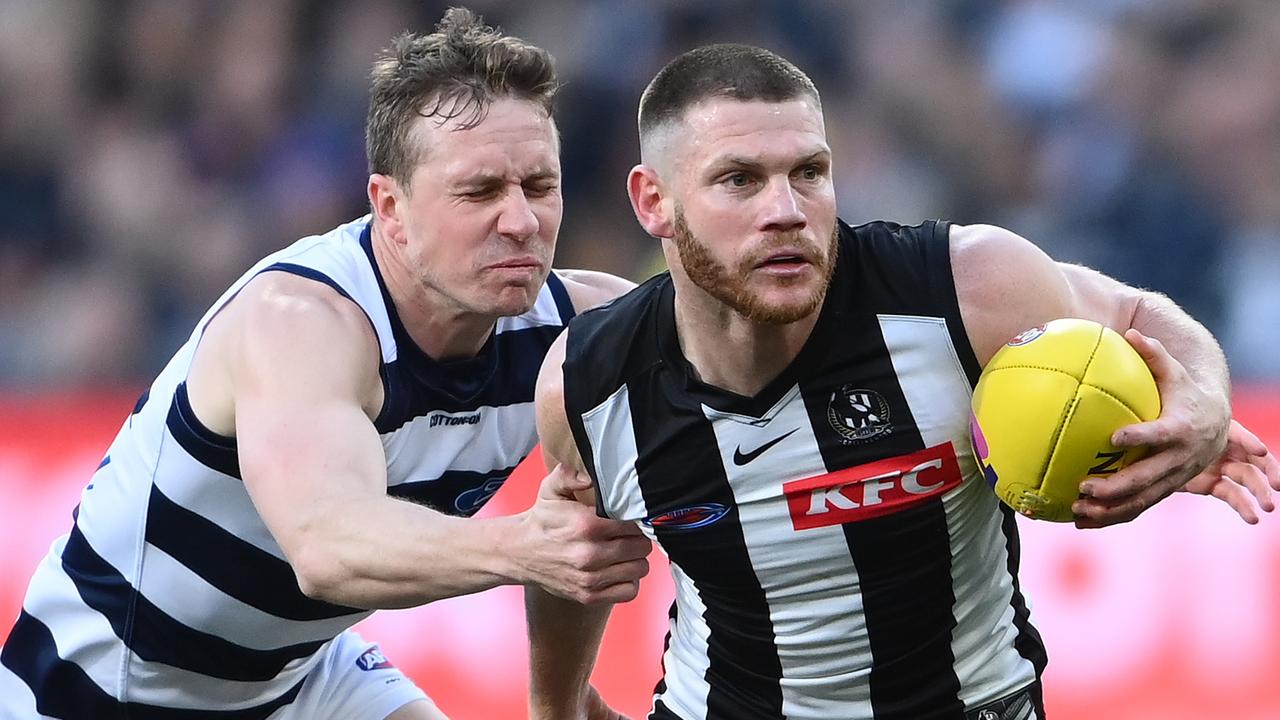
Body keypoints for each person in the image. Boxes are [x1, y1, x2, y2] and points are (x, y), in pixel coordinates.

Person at [525, 44, 1280, 720]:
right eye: (739, 180)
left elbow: (1138, 310)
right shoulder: (590, 385)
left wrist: (1203, 400)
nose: (785, 211)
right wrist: (554, 707)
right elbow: (569, 549)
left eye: (809, 173)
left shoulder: (959, 288)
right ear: (654, 202)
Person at [0, 9, 653, 720]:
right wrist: (523, 546)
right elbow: (328, 545)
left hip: (296, 680)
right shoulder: (302, 322)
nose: (522, 220)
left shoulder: (584, 332)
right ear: (390, 207)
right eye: (480, 191)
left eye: (539, 185)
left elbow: (593, 513)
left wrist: (558, 706)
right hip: (107, 686)